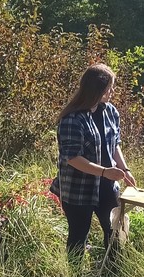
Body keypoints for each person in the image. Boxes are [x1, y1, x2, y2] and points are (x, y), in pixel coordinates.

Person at [53, 63, 137, 259]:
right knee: (78, 236)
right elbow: (73, 158)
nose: (112, 92)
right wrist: (105, 171)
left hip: (107, 185)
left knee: (115, 231)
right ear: (96, 89)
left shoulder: (110, 112)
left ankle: (112, 271)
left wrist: (125, 170)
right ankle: (75, 276)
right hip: (78, 189)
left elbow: (115, 144)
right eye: (109, 88)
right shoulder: (72, 119)